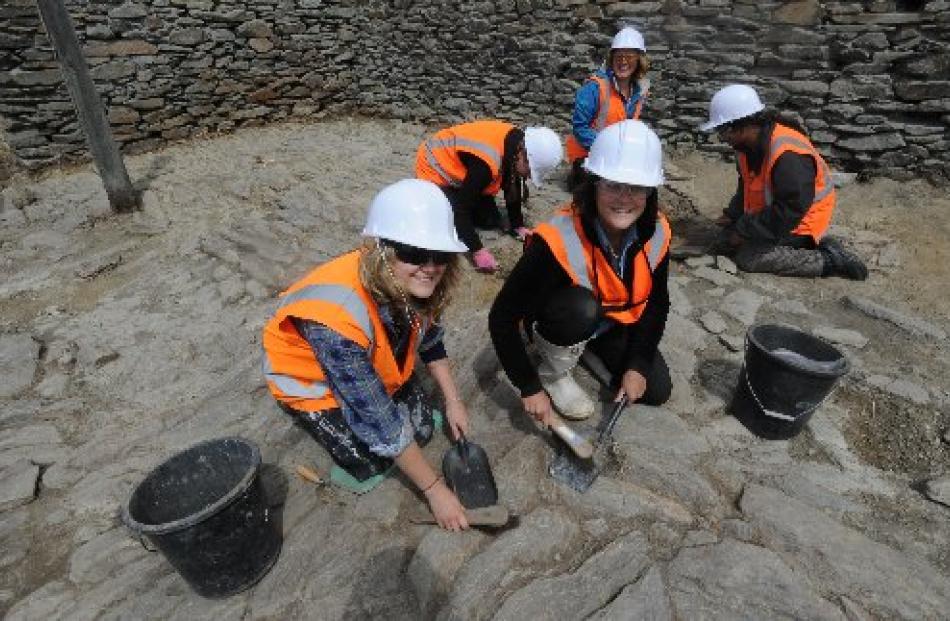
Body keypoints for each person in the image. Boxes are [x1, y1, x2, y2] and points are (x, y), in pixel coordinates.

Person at [262, 179, 472, 531]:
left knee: (419, 429)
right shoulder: (336, 319)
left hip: (363, 368)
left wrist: (453, 401)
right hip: (310, 385)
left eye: (440, 255)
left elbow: (431, 339)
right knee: (374, 458)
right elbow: (379, 420)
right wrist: (435, 490)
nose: (431, 266)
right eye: (414, 253)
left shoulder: (414, 286)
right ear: (382, 250)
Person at [489, 120, 672, 426]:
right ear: (594, 183)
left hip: (611, 322)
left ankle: (587, 347)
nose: (624, 198)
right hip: (563, 316)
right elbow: (502, 317)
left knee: (656, 389)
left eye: (637, 187)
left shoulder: (657, 233)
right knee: (582, 309)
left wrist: (638, 365)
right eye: (612, 184)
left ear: (650, 191)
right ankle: (555, 370)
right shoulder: (557, 239)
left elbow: (657, 302)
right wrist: (529, 387)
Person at [699, 84, 868, 280]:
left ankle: (829, 259)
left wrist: (744, 230)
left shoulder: (787, 154)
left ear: (743, 126)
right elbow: (747, 184)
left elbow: (792, 209)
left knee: (749, 257)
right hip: (779, 212)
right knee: (724, 240)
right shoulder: (746, 147)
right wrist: (734, 215)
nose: (722, 138)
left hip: (802, 221)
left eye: (723, 131)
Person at [415, 119, 562, 273]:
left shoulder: (517, 143)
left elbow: (511, 182)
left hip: (465, 167)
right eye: (531, 172)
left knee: (489, 220)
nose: (530, 177)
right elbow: (461, 209)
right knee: (452, 219)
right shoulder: (485, 165)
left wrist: (517, 225)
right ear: (523, 155)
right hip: (435, 166)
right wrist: (478, 251)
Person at [565, 26, 651, 190]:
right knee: (601, 191)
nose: (623, 61)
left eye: (629, 56)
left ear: (639, 60)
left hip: (616, 155)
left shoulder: (640, 91)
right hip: (587, 155)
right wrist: (610, 148)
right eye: (618, 56)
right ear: (611, 59)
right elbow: (580, 127)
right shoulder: (594, 88)